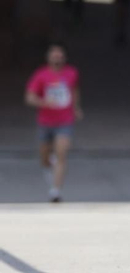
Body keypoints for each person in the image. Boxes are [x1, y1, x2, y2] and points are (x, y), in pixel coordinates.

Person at [26, 45, 81, 203]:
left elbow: (75, 90)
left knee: (61, 154)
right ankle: (48, 163)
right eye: (54, 56)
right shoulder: (41, 75)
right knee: (44, 157)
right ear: (48, 58)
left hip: (65, 121)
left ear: (64, 58)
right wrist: (44, 102)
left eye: (60, 56)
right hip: (45, 121)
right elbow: (29, 97)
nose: (57, 59)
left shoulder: (72, 73)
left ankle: (55, 191)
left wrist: (76, 107)